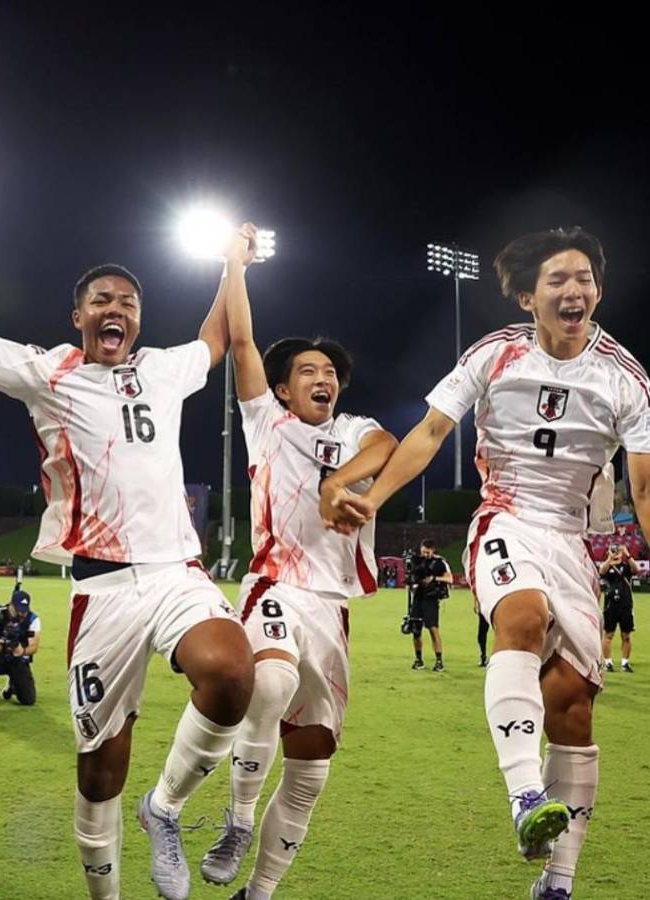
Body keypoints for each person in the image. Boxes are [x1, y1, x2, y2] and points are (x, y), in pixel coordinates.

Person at [327, 228, 650, 900]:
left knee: (573, 706)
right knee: (522, 618)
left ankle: (558, 880)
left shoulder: (625, 377)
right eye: (558, 280)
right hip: (506, 515)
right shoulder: (495, 354)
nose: (575, 290)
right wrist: (375, 499)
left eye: (585, 278)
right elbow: (431, 432)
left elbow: (642, 487)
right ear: (530, 298)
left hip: (571, 542)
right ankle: (525, 794)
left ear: (598, 289)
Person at [0, 248, 253, 900]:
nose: (116, 309)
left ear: (138, 319)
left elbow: (217, 337)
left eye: (128, 303)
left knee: (231, 672)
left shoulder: (162, 369)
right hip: (100, 591)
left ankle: (163, 808)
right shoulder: (47, 370)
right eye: (102, 300)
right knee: (100, 770)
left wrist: (233, 263)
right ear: (77, 314)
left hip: (172, 572)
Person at [197, 226, 398, 899]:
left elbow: (389, 444)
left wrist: (338, 484)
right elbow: (245, 345)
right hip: (275, 584)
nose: (323, 379)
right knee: (272, 685)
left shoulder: (351, 432)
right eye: (308, 372)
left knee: (312, 768)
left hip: (333, 608)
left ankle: (259, 893)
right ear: (282, 392)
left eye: (330, 372)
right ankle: (238, 820)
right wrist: (235, 266)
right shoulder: (268, 424)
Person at [0, 587, 41, 707]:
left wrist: (22, 651)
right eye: (18, 610)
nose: (22, 614)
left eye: (24, 611)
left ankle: (12, 685)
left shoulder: (33, 619)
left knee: (28, 700)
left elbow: (34, 646)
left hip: (18, 660)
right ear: (10, 605)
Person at [408, 540, 453, 671]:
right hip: (418, 598)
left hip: (431, 599)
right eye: (423, 552)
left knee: (433, 629)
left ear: (433, 550)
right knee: (416, 631)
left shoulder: (439, 563)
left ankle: (439, 661)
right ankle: (418, 659)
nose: (425, 554)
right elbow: (411, 578)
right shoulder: (417, 561)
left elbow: (449, 579)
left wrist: (434, 578)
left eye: (427, 552)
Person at [599, 543, 634, 673]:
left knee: (626, 635)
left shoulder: (626, 566)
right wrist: (610, 557)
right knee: (608, 634)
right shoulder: (607, 567)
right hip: (610, 605)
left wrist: (627, 554)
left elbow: (636, 569)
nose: (616, 552)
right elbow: (601, 571)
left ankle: (625, 663)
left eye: (618, 550)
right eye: (614, 550)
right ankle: (608, 663)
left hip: (625, 605)